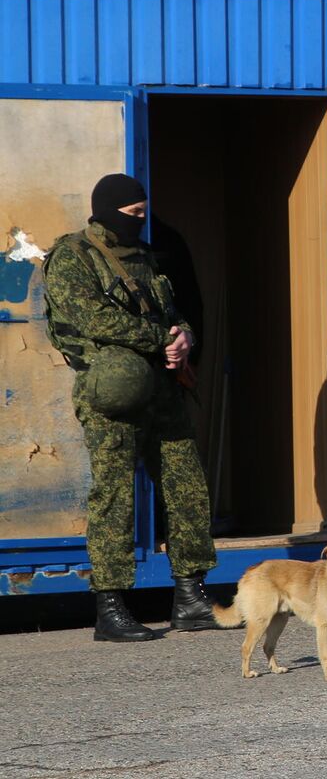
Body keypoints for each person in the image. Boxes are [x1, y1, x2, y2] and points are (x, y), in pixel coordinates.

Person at [41, 173, 221, 642]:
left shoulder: (143, 257)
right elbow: (92, 317)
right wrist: (161, 338)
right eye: (133, 215)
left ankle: (190, 596)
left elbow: (171, 311)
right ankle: (112, 606)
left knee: (187, 486)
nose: (140, 223)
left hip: (162, 390)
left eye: (143, 214)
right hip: (113, 393)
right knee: (115, 495)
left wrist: (184, 338)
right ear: (107, 211)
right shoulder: (72, 257)